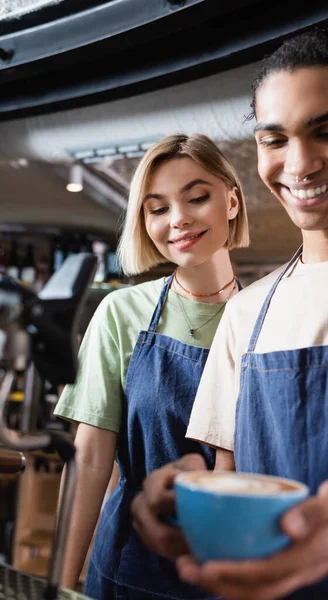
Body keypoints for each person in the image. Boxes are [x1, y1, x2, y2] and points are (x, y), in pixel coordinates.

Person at [132, 29, 328, 599]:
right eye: (274, 139)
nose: (299, 164)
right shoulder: (248, 312)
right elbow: (230, 482)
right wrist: (189, 503)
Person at [54, 133, 249, 599]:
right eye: (157, 208)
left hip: (234, 571)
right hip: (129, 567)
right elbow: (91, 459)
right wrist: (59, 587)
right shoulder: (122, 313)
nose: (178, 218)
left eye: (197, 197)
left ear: (233, 201)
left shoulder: (267, 313)